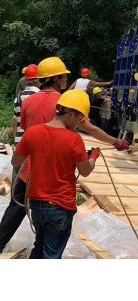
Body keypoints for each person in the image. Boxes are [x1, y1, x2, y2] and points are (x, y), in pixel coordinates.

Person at [0, 56, 129, 253]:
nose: (66, 82)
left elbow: (27, 134)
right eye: (64, 77)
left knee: (17, 208)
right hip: (55, 175)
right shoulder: (65, 103)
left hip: (30, 170)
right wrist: (115, 141)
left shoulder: (28, 102)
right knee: (52, 234)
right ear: (58, 78)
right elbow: (91, 130)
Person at [12, 89, 100, 259]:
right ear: (71, 114)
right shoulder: (74, 139)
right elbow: (85, 170)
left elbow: (16, 162)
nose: (79, 123)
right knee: (51, 255)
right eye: (80, 118)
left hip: (36, 204)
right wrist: (94, 157)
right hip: (60, 206)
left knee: (39, 247)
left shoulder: (33, 132)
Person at [12, 64, 40, 145]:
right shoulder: (41, 96)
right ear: (38, 80)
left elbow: (14, 121)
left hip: (20, 141)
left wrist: (16, 140)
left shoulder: (18, 98)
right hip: (34, 142)